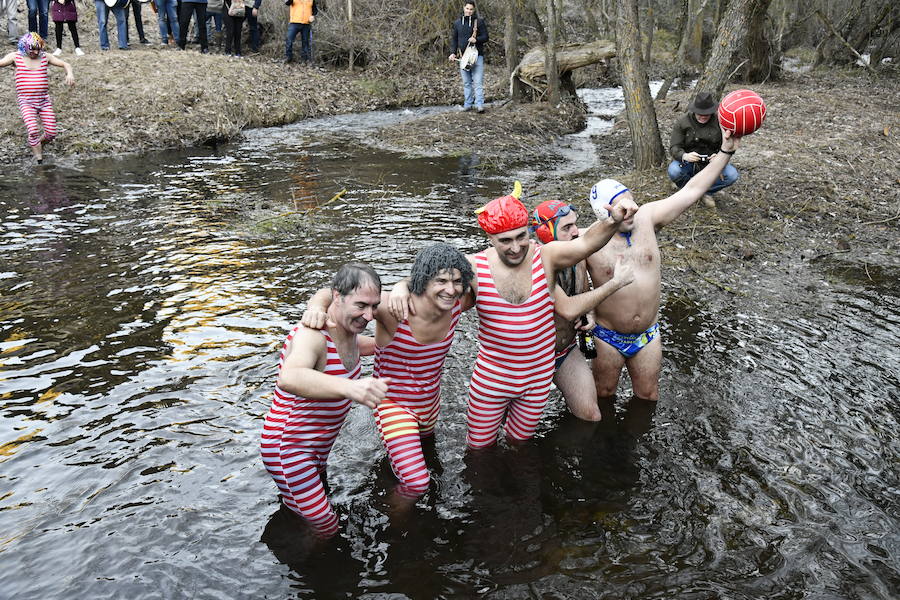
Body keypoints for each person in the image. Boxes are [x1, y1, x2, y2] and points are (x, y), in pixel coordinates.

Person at [391, 185, 638, 449]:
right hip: (493, 380)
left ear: (529, 231)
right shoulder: (474, 266)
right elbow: (432, 279)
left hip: (537, 380)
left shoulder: (546, 256)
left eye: (521, 237)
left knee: (520, 445)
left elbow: (586, 243)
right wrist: (401, 285)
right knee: (479, 449)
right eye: (505, 241)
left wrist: (613, 220)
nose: (515, 247)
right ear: (490, 238)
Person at [302, 244, 474, 503]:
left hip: (430, 403)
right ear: (423, 280)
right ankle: (395, 532)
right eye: (440, 281)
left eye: (456, 282)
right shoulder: (394, 310)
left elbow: (485, 266)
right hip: (393, 404)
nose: (450, 289)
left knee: (429, 453)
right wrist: (316, 307)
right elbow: (334, 293)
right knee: (416, 483)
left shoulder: (458, 304)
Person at [586, 126, 742, 408]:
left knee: (647, 397)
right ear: (602, 213)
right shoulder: (589, 241)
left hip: (647, 334)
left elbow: (693, 189)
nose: (630, 210)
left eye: (630, 201)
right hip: (607, 336)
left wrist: (726, 150)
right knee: (604, 395)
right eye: (620, 208)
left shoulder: (648, 217)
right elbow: (557, 267)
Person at [260, 262, 390, 538]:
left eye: (373, 306)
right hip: (288, 449)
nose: (369, 315)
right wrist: (350, 388)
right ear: (338, 297)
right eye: (361, 306)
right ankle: (304, 572)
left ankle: (294, 533)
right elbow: (290, 377)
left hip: (316, 450)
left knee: (306, 507)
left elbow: (376, 344)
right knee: (326, 526)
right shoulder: (313, 336)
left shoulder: (351, 334)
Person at [528, 199, 635, 421]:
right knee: (513, 432)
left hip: (564, 351)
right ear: (546, 234)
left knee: (592, 416)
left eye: (575, 224)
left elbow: (583, 294)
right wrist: (615, 283)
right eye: (567, 228)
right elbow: (567, 309)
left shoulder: (578, 256)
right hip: (530, 359)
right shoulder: (536, 261)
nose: (576, 232)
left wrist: (590, 314)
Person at [1, 32, 74, 163]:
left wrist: (69, 74)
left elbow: (66, 64)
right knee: (33, 129)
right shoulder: (15, 57)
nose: (35, 52)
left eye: (38, 49)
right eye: (32, 49)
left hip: (44, 100)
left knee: (51, 133)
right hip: (26, 101)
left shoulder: (45, 57)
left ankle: (36, 144)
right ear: (24, 47)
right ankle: (39, 161)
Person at [668, 91, 740, 206]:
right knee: (674, 170)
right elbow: (674, 147)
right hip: (689, 163)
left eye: (707, 113)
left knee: (732, 175)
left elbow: (728, 147)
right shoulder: (683, 122)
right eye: (700, 113)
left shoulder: (721, 122)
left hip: (711, 163)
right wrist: (684, 156)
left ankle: (706, 192)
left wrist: (719, 156)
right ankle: (687, 191)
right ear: (694, 110)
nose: (703, 116)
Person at [448, 1, 487, 113]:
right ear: (464, 8)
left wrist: (476, 39)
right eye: (467, 8)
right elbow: (454, 40)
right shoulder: (457, 23)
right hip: (463, 57)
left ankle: (480, 105)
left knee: (478, 82)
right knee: (466, 82)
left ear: (473, 10)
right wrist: (452, 53)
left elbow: (486, 37)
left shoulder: (479, 22)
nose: (469, 11)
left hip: (477, 56)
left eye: (471, 9)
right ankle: (468, 104)